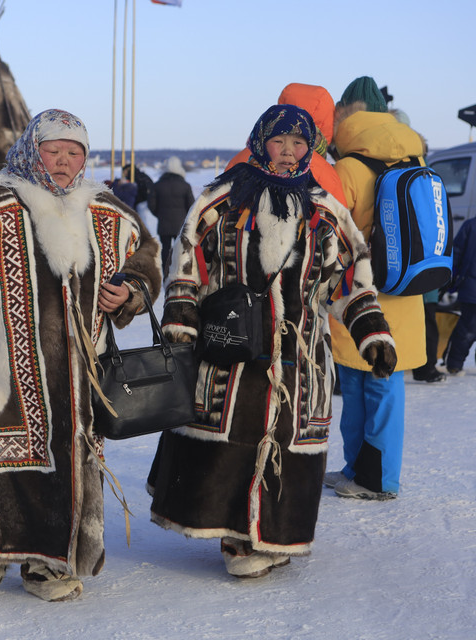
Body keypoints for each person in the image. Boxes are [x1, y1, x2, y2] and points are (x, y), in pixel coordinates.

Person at [0, 108, 161, 601]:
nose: (63, 162)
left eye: (74, 153)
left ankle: (50, 565)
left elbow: (146, 259)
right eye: (53, 150)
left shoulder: (107, 209)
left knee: (65, 458)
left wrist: (130, 292)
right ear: (30, 149)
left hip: (80, 377)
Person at [147, 104, 396, 579]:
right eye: (279, 142)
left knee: (287, 441)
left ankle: (274, 535)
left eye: (299, 144)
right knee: (231, 436)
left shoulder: (325, 211)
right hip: (228, 355)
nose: (288, 153)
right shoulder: (219, 203)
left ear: (310, 150)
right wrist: (181, 323)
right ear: (261, 141)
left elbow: (350, 281)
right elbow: (186, 268)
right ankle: (236, 540)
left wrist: (371, 332)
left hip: (298, 358)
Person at [323, 77, 427, 501]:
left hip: (360, 294)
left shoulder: (347, 169)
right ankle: (360, 471)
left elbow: (331, 232)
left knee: (359, 384)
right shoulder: (415, 157)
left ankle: (377, 479)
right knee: (383, 383)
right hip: (404, 288)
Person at [148, 156, 193, 274]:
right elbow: (191, 205)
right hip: (180, 224)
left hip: (164, 223)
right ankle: (179, 272)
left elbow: (151, 204)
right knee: (180, 250)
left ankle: (166, 272)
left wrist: (159, 214)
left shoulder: (158, 185)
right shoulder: (185, 185)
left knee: (166, 250)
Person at [444, 215, 476, 375]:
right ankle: (454, 364)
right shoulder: (471, 226)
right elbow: (456, 253)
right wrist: (451, 277)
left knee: (467, 328)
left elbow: (456, 253)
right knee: (467, 329)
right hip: (471, 288)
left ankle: (454, 363)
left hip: (470, 287)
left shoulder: (470, 225)